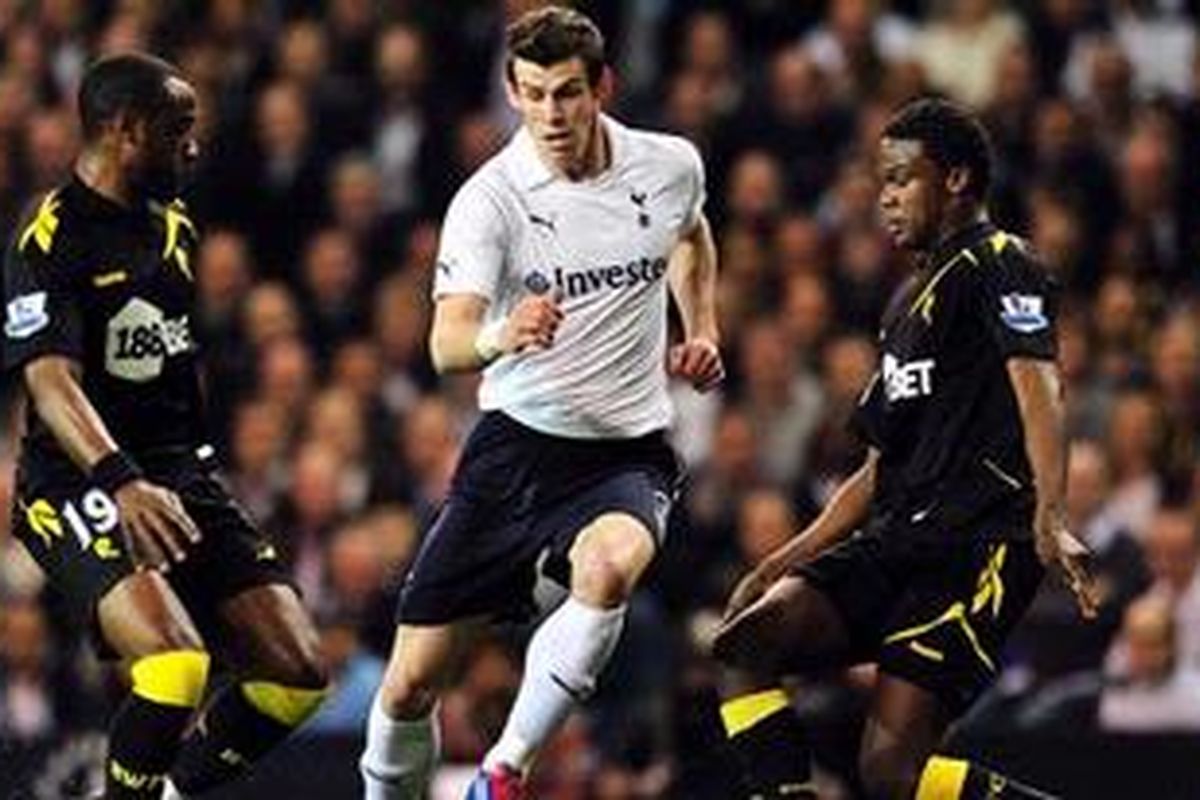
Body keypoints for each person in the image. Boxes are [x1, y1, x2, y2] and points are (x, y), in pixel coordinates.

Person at [358, 8, 722, 800]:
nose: (551, 116)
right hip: (515, 450)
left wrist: (704, 328)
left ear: (602, 88)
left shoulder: (668, 166)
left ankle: (503, 769)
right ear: (512, 94)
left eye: (566, 94)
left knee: (611, 568)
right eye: (532, 95)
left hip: (627, 451)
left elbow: (691, 236)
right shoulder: (490, 200)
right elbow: (445, 344)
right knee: (411, 685)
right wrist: (501, 333)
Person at [709, 98, 1097, 800]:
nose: (883, 197)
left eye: (900, 179)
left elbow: (1038, 383)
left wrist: (1048, 514)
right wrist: (783, 557)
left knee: (891, 774)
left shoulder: (1000, 262)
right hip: (897, 540)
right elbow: (879, 463)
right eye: (880, 181)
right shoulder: (905, 304)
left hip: (977, 547)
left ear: (953, 179)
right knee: (745, 644)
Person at [1, 53, 328, 800]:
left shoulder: (173, 224)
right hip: (80, 481)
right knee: (178, 668)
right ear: (123, 130)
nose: (193, 146)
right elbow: (50, 383)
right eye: (178, 130)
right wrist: (123, 482)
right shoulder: (50, 241)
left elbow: (171, 354)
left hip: (178, 473)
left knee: (299, 673)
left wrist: (193, 466)